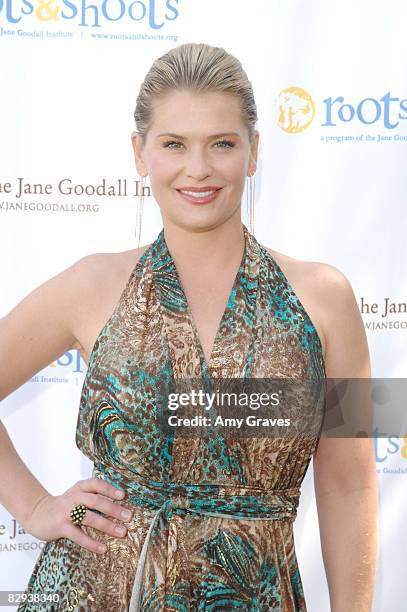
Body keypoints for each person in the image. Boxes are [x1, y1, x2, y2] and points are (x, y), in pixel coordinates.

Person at [0, 42, 377, 611]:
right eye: (174, 144)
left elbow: (350, 483)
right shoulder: (90, 285)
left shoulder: (326, 299)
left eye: (221, 144)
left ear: (253, 152)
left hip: (253, 594)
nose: (197, 169)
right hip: (103, 591)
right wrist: (34, 507)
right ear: (140, 152)